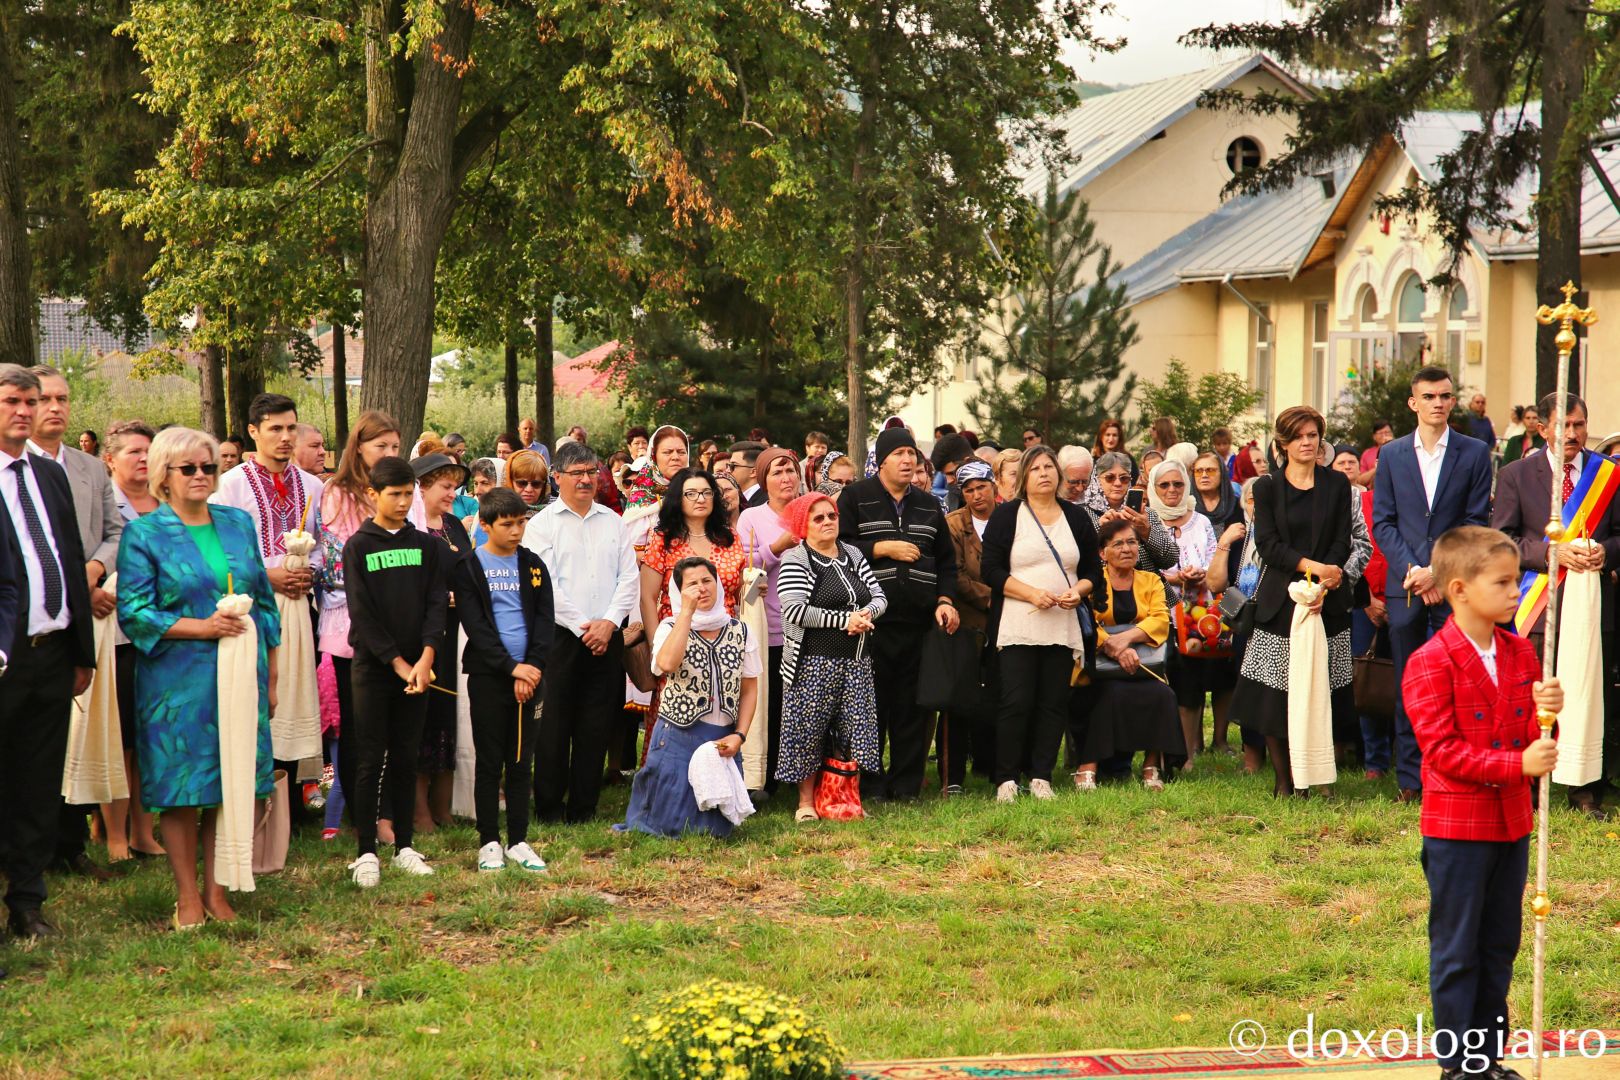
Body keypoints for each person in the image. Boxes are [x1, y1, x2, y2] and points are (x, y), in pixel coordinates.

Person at [1401, 526, 1561, 1080]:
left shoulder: (1520, 652)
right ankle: (1457, 1067)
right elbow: (1442, 753)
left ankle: (1487, 1060)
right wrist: (1517, 765)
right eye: (1503, 581)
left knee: (1499, 947)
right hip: (1456, 828)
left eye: (1516, 579)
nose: (1516, 591)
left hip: (1512, 822)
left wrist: (1550, 713)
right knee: (1457, 951)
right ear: (1460, 589)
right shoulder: (1429, 660)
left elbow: (1539, 740)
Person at [117, 426, 280, 928]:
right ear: (164, 476)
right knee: (184, 786)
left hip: (241, 671)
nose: (201, 475)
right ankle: (187, 895)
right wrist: (203, 627)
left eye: (208, 467)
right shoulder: (144, 533)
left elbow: (267, 604)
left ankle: (218, 890)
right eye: (188, 468)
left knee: (233, 784)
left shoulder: (236, 523)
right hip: (176, 682)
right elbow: (135, 612)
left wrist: (271, 675)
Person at [0, 365, 96, 940]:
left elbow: (68, 557)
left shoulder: (48, 476)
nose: (25, 411)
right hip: (4, 655)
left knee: (39, 781)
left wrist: (80, 651)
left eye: (31, 402)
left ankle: (28, 902)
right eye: (13, 401)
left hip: (52, 653)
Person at [1491, 392, 1620, 818]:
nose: (1572, 433)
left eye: (1579, 424)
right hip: (1539, 604)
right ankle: (1530, 786)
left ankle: (1584, 788)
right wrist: (1553, 554)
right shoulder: (1516, 474)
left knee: (1588, 692)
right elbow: (1503, 539)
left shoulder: (1608, 475)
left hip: (1593, 602)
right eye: (1562, 425)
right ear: (1542, 428)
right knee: (1536, 696)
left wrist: (1607, 551)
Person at [1232, 406, 1367, 797]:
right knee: (1276, 695)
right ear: (1284, 443)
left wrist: (1327, 580)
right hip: (1281, 601)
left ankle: (1318, 776)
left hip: (1328, 599)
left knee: (1322, 691)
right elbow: (1269, 545)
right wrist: (1314, 568)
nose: (1308, 442)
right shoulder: (1267, 487)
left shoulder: (1336, 485)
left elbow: (1345, 538)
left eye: (1313, 435)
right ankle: (1283, 780)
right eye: (1300, 436)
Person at [1373, 366, 1492, 804]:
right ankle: (1410, 780)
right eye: (1429, 397)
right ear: (1413, 402)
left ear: (1452, 402)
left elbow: (1475, 521)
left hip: (1453, 585)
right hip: (1404, 586)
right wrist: (1415, 571)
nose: (1438, 403)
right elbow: (1382, 521)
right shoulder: (1392, 455)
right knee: (1409, 683)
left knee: (1453, 683)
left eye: (1444, 396)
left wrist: (1439, 572)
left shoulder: (1475, 452)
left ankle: (1451, 775)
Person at [27, 365, 124, 883]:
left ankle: (70, 842)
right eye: (45, 399)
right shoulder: (13, 469)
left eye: (63, 398)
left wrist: (93, 571)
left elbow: (114, 532)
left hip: (86, 618)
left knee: (76, 733)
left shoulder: (89, 468)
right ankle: (28, 851)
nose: (56, 408)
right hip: (32, 620)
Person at [211, 392, 325, 828]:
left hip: (301, 607)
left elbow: (323, 546)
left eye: (291, 428)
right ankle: (251, 803)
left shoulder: (313, 487)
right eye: (274, 429)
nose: (284, 437)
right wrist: (267, 575)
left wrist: (307, 570)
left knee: (298, 692)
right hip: (250, 607)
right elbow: (220, 552)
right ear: (253, 432)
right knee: (261, 698)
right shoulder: (231, 486)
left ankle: (294, 806)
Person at [837, 425, 959, 800]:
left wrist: (945, 600)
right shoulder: (856, 497)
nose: (908, 461)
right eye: (899, 455)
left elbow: (946, 562)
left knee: (912, 707)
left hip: (918, 622)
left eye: (913, 455)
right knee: (871, 708)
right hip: (869, 622)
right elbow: (838, 547)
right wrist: (882, 548)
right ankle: (871, 785)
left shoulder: (928, 504)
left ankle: (906, 784)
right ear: (882, 461)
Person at [341, 456, 447, 887]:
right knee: (370, 759)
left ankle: (404, 844)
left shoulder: (426, 545)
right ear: (373, 495)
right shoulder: (358, 546)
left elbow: (435, 604)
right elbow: (362, 615)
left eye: (408, 494)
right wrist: (399, 664)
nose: (403, 502)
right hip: (376, 668)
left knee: (407, 756)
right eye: (395, 494)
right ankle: (366, 849)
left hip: (418, 670)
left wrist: (425, 658)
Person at [523, 440, 640, 823]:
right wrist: (584, 627)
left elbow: (629, 578)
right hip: (560, 638)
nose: (587, 479)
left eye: (592, 472)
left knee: (596, 722)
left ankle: (584, 807)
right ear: (557, 478)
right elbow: (545, 584)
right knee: (554, 724)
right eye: (578, 473)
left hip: (608, 636)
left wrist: (609, 623)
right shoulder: (541, 525)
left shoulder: (613, 522)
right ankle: (550, 807)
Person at [980, 445, 1102, 802]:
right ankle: (1006, 778)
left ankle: (1041, 776)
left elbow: (1093, 570)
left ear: (1059, 475)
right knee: (1016, 700)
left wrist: (1078, 591)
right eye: (1036, 469)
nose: (1044, 473)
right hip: (1019, 620)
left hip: (1062, 621)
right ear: (1024, 478)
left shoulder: (1076, 518)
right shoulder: (1007, 517)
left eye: (1050, 467)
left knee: (1053, 701)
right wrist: (1031, 594)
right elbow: (991, 570)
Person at [451, 486, 552, 871]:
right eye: (507, 524)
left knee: (520, 760)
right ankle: (489, 841)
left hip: (531, 676)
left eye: (521, 522)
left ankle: (519, 840)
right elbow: (476, 626)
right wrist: (511, 668)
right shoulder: (469, 568)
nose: (516, 531)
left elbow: (545, 619)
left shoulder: (533, 565)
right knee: (489, 761)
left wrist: (532, 668)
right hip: (489, 676)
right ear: (486, 525)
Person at [621, 557, 760, 837]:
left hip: (722, 737)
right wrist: (686, 613)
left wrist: (740, 735)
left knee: (716, 830)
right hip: (678, 735)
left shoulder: (740, 630)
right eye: (692, 584)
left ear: (718, 584)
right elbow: (667, 665)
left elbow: (749, 689)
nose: (701, 588)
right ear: (678, 590)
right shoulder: (669, 627)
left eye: (707, 580)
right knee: (669, 825)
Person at [318, 410, 402, 840]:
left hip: (399, 623)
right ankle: (362, 816)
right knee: (357, 728)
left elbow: (416, 546)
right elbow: (339, 564)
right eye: (379, 446)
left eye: (394, 446)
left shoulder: (408, 491)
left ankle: (389, 815)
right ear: (359, 448)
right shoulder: (337, 494)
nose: (388, 453)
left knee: (394, 727)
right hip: (350, 625)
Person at [776, 493, 887, 821]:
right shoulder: (797, 558)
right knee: (809, 732)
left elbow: (879, 595)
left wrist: (867, 612)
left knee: (853, 730)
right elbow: (794, 610)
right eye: (818, 518)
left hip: (856, 661)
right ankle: (806, 803)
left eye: (831, 515)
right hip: (813, 662)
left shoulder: (851, 553)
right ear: (802, 525)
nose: (827, 522)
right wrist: (844, 620)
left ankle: (844, 800)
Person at [1070, 517, 1185, 791]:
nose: (1126, 549)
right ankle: (1088, 766)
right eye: (1118, 544)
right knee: (1107, 694)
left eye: (1132, 542)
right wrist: (1111, 646)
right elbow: (1085, 620)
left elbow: (1159, 619)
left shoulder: (1151, 580)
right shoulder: (1093, 581)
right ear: (1102, 552)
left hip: (1144, 665)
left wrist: (1125, 640)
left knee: (1163, 694)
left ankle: (1151, 765)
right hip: (1100, 666)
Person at [101, 421, 165, 861]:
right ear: (111, 460)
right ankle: (114, 834)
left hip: (164, 635)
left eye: (149, 451)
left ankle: (145, 831)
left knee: (149, 738)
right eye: (133, 452)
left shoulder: (168, 503)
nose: (143, 459)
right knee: (119, 740)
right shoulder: (105, 504)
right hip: (118, 635)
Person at [410, 450, 473, 835]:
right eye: (445, 486)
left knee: (450, 714)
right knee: (424, 718)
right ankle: (418, 810)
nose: (452, 493)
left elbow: (468, 568)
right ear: (423, 487)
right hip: (422, 631)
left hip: (457, 632)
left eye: (455, 486)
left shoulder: (453, 524)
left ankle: (444, 805)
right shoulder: (412, 527)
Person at [736, 447, 805, 786]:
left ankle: (801, 775)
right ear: (764, 479)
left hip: (808, 626)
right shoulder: (751, 518)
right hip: (769, 628)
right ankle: (766, 777)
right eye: (777, 472)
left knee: (801, 704)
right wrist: (778, 546)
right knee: (771, 703)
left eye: (790, 470)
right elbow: (743, 574)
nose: (785, 477)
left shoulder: (810, 511)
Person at [1150, 458, 1220, 767]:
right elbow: (1141, 566)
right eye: (1164, 485)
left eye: (1178, 484)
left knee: (1191, 689)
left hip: (1194, 615)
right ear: (1154, 488)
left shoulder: (1201, 522)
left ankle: (1188, 755)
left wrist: (1200, 574)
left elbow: (1214, 563)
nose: (1172, 490)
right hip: (1157, 614)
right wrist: (1172, 578)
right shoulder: (1147, 521)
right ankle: (1162, 754)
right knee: (1161, 688)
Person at [942, 459, 998, 789]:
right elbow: (955, 573)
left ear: (994, 486)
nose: (977, 495)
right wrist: (994, 597)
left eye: (982, 487)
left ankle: (994, 768)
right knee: (959, 698)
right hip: (965, 622)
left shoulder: (1010, 518)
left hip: (1007, 621)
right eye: (969, 490)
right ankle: (953, 776)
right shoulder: (953, 524)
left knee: (998, 695)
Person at [1081, 451, 1181, 599]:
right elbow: (1077, 559)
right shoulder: (1083, 515)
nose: (1117, 483)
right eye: (1109, 478)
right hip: (1103, 598)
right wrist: (1098, 529)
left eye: (1124, 478)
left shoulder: (1145, 513)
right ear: (1097, 479)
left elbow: (1170, 559)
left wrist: (1146, 531)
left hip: (1151, 597)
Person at [622, 425, 690, 549]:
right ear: (654, 456)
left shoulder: (698, 490)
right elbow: (631, 554)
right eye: (667, 452)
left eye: (681, 452)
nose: (675, 457)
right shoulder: (642, 497)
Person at [502, 449, 550, 515]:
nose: (529, 490)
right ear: (509, 481)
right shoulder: (497, 514)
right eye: (522, 483)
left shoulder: (553, 514)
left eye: (536, 484)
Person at [725, 440, 766, 505]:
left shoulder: (764, 503)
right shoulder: (739, 500)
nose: (727, 470)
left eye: (733, 466)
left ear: (753, 472)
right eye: (728, 465)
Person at [1356, 420, 1395, 487]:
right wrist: (1378, 467)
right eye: (1380, 433)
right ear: (1374, 437)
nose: (1384, 435)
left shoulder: (1400, 448)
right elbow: (1360, 481)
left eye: (1387, 432)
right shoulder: (1367, 454)